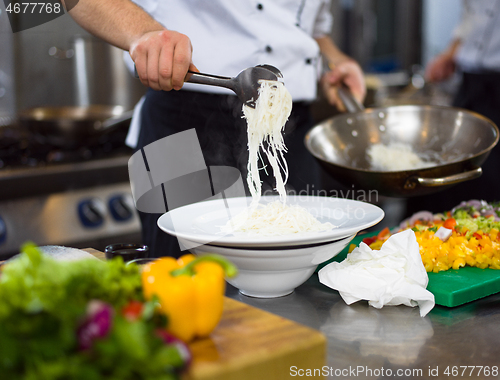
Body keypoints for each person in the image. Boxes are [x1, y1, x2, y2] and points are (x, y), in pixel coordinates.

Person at [62, 0, 366, 257]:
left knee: (301, 264)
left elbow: (309, 27)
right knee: (181, 279)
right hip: (182, 118)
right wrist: (144, 32)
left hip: (288, 128)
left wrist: (334, 59)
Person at [405, 0, 500, 217]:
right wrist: (451, 53)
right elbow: (471, 16)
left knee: (490, 178)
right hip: (470, 80)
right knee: (449, 168)